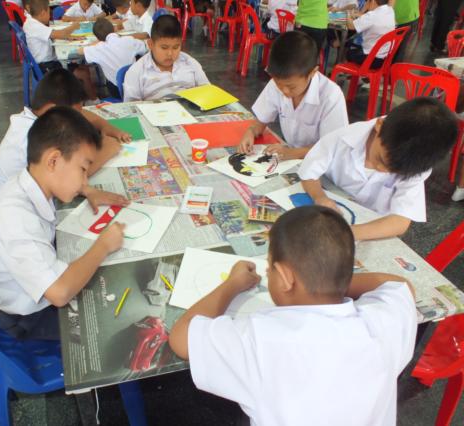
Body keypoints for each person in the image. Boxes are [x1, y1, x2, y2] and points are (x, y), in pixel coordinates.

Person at [169, 205, 417, 426]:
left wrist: (232, 283)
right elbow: (400, 284)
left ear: (285, 278)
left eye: (270, 268)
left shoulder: (262, 340)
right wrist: (329, 281)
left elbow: (181, 339)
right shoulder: (384, 325)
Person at [0, 107, 127, 341]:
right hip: (25, 318)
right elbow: (59, 293)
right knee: (112, 328)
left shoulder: (31, 181)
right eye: (83, 169)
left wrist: (87, 190)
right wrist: (104, 245)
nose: (85, 178)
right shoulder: (16, 217)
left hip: (34, 288)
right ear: (54, 160)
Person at [299, 97, 459, 241]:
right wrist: (319, 197)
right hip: (332, 204)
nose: (382, 170)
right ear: (379, 126)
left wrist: (346, 233)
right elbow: (309, 172)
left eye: (394, 172)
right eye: (380, 159)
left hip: (370, 226)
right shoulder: (343, 137)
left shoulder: (416, 165)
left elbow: (400, 221)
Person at [0, 69, 130, 197]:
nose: (77, 119)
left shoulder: (38, 116)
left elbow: (81, 113)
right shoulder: (34, 138)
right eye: (73, 115)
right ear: (52, 110)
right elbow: (68, 180)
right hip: (24, 207)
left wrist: (106, 127)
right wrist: (106, 151)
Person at [238, 31, 347, 160]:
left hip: (321, 162)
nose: (284, 91)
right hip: (290, 153)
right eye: (279, 84)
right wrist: (251, 131)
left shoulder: (331, 96)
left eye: (291, 87)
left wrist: (292, 153)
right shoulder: (278, 83)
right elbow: (261, 121)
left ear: (312, 73)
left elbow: (332, 148)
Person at [23, 0, 99, 101]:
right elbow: (61, 33)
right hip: (46, 67)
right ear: (43, 13)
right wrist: (74, 26)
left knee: (84, 68)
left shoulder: (32, 23)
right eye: (49, 12)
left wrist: (69, 37)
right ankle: (93, 101)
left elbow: (55, 34)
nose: (50, 15)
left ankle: (86, 99)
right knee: (83, 74)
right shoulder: (34, 26)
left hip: (48, 63)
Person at [122, 14, 209, 101]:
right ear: (150, 44)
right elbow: (131, 105)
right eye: (164, 48)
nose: (170, 54)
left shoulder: (190, 63)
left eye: (175, 47)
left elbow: (208, 92)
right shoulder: (137, 71)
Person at [82, 17, 147, 98]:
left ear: (98, 38)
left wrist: (94, 43)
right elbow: (144, 47)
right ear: (114, 29)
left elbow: (80, 51)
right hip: (138, 85)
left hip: (117, 90)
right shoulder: (129, 40)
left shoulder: (98, 48)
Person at [345, 0, 395, 67]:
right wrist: (360, 15)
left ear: (373, 1)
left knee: (348, 51)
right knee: (350, 44)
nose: (367, 5)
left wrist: (348, 14)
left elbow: (351, 26)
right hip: (384, 58)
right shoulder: (390, 10)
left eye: (368, 2)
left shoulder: (372, 15)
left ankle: (347, 69)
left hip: (370, 59)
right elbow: (373, 18)